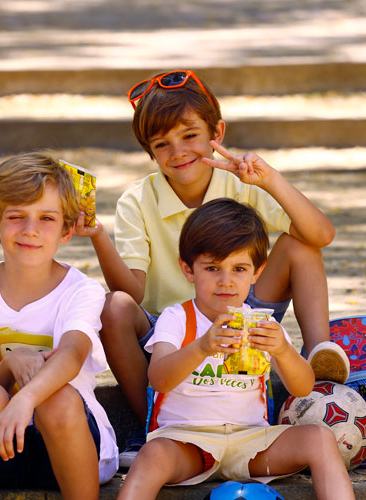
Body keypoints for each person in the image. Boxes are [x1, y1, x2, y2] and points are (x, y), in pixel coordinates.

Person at [74, 69, 349, 466]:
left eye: (189, 136)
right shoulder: (137, 200)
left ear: (216, 132)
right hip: (168, 327)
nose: (178, 151)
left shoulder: (244, 183)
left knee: (300, 244)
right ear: (150, 152)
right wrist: (99, 234)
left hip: (244, 304)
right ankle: (150, 423)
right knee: (113, 305)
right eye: (162, 143)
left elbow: (321, 233)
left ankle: (318, 355)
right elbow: (131, 294)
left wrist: (270, 180)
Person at [117, 198, 354, 500]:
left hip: (252, 443)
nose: (225, 281)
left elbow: (304, 387)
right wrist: (202, 347)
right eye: (213, 268)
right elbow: (159, 378)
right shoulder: (177, 318)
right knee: (151, 455)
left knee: (320, 438)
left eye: (239, 268)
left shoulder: (264, 325)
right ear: (188, 270)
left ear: (257, 273)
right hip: (188, 443)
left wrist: (282, 350)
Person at [0, 153, 118, 499]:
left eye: (46, 218)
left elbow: (73, 354)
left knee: (57, 397)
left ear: (67, 230)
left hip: (70, 443)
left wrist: (26, 398)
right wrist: (11, 363)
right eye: (16, 217)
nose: (30, 230)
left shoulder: (82, 289)